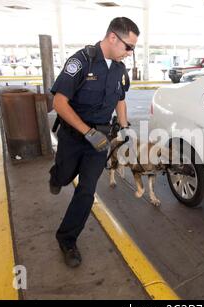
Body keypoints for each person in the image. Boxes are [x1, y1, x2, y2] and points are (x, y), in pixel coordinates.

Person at [49, 17, 139, 268]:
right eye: (128, 46)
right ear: (113, 38)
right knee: (65, 175)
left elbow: (120, 99)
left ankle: (67, 239)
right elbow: (59, 103)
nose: (130, 53)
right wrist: (87, 132)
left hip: (99, 141)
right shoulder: (81, 62)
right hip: (73, 136)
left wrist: (124, 127)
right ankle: (56, 175)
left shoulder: (120, 69)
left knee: (87, 190)